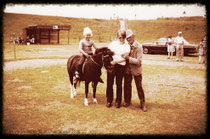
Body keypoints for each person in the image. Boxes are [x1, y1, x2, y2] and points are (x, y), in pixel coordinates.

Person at [121, 29, 147, 112]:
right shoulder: (125, 45)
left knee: (139, 87)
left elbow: (138, 61)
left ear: (133, 36)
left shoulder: (139, 46)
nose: (128, 39)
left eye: (130, 37)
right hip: (128, 69)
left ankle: (142, 103)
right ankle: (127, 101)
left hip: (136, 69)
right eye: (127, 38)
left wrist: (128, 58)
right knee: (127, 86)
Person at [106, 29, 130, 108]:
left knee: (119, 84)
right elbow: (108, 52)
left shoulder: (127, 45)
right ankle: (109, 100)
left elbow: (125, 58)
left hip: (120, 66)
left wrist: (116, 62)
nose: (121, 39)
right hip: (112, 66)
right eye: (120, 37)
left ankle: (118, 102)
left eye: (123, 37)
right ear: (117, 37)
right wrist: (111, 60)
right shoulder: (113, 44)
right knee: (110, 84)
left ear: (125, 37)